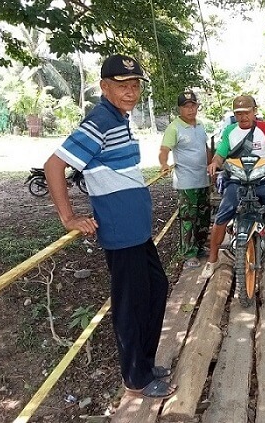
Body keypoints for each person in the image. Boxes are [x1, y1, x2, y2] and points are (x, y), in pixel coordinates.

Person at [44, 54, 176, 398]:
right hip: (120, 229)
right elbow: (53, 166)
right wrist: (69, 217)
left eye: (134, 85)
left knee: (156, 289)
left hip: (137, 228)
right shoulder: (100, 120)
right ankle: (136, 377)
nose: (130, 92)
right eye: (122, 86)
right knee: (131, 303)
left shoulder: (120, 118)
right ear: (104, 87)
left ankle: (144, 364)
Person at [201, 95, 265, 279]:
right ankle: (212, 259)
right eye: (238, 114)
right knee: (221, 216)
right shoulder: (229, 131)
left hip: (262, 180)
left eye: (247, 112)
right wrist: (215, 163)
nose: (243, 117)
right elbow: (220, 153)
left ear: (254, 111)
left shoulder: (264, 128)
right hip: (237, 181)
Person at [159, 89, 211, 269]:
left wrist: (213, 164)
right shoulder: (174, 127)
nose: (190, 110)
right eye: (186, 106)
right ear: (179, 109)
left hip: (203, 178)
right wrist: (164, 164)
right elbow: (164, 149)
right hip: (186, 182)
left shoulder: (201, 125)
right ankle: (189, 253)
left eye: (193, 105)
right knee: (189, 217)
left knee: (204, 216)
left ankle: (200, 246)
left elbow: (205, 147)